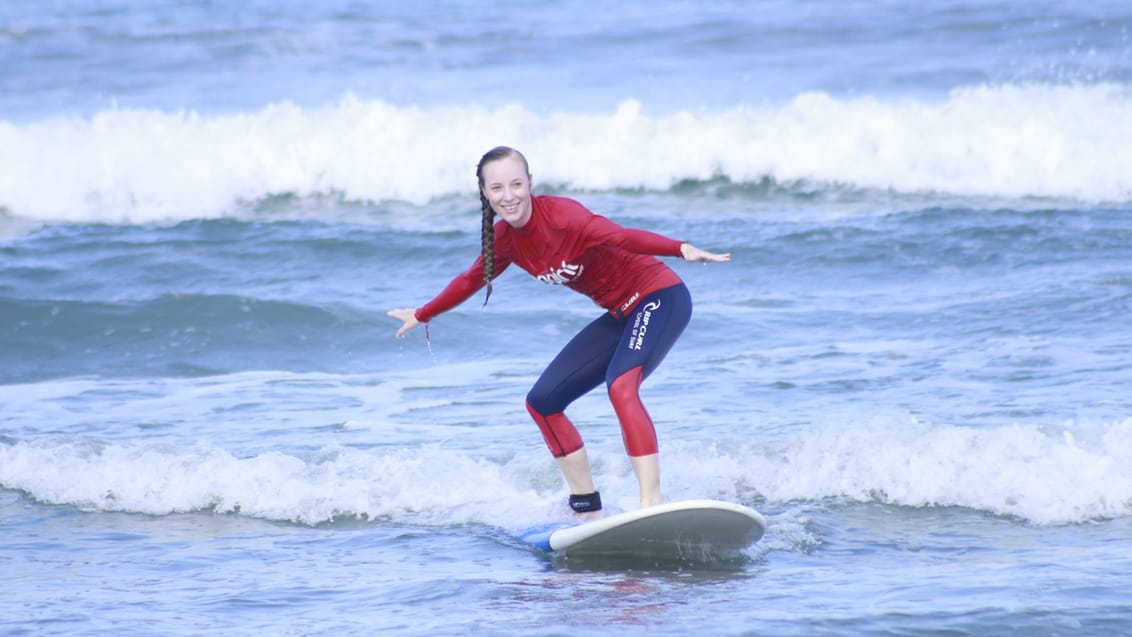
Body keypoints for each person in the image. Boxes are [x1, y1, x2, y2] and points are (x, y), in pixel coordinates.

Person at [388, 146, 729, 518]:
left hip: (659, 296)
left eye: (517, 184)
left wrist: (680, 248)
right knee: (543, 402)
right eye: (497, 188)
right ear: (485, 193)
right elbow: (471, 279)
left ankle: (651, 504)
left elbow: (622, 237)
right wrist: (423, 315)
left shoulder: (564, 217)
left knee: (621, 386)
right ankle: (587, 509)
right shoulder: (504, 240)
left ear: (530, 183)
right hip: (620, 314)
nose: (509, 196)